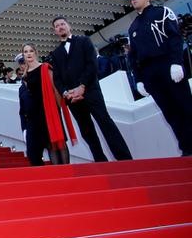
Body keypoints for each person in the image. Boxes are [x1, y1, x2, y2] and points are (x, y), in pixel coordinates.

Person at [49, 16, 133, 162]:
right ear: (55, 31)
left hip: (91, 91)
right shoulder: (55, 54)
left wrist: (82, 86)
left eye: (62, 24)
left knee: (105, 123)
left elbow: (92, 65)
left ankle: (124, 159)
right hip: (72, 99)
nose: (60, 27)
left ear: (69, 26)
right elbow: (57, 78)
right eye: (57, 26)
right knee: (86, 131)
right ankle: (100, 161)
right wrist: (66, 92)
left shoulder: (84, 41)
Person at [126, 0, 192, 156]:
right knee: (170, 112)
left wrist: (176, 62)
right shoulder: (132, 27)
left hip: (168, 65)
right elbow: (133, 57)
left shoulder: (162, 13)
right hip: (149, 73)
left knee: (185, 106)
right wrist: (139, 79)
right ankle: (187, 148)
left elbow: (174, 38)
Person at [21, 44, 77, 165]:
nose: (28, 54)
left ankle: (67, 172)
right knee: (49, 143)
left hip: (50, 110)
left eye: (31, 51)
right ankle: (58, 175)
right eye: (26, 52)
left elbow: (55, 89)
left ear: (36, 53)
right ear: (23, 55)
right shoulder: (25, 74)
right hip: (37, 114)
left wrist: (56, 110)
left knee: (59, 142)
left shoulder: (45, 67)